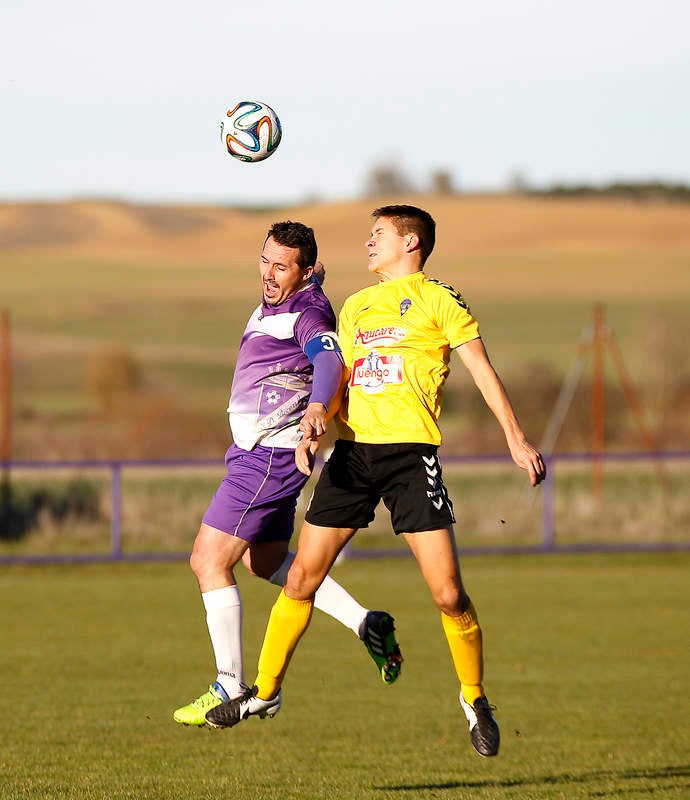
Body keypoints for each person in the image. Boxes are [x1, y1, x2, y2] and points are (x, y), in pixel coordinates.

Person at [204, 205, 546, 757]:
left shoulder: (440, 299)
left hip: (411, 458)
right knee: (298, 580)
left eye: (378, 234)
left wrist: (515, 437)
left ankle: (474, 698)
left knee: (448, 593)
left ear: (410, 243)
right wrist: (316, 422)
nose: (367, 242)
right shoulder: (356, 306)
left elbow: (482, 368)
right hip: (353, 457)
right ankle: (262, 692)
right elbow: (338, 373)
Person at [173, 220, 403, 727]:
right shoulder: (293, 294)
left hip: (270, 457)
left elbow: (328, 360)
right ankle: (365, 622)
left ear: (300, 274)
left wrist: (319, 407)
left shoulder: (307, 311)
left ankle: (229, 684)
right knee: (268, 562)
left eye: (282, 267)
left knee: (207, 560)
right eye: (265, 260)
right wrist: (313, 273)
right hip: (254, 454)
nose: (269, 274)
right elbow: (311, 280)